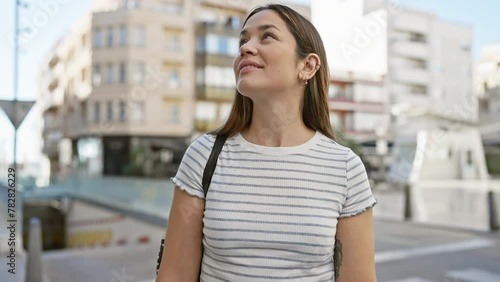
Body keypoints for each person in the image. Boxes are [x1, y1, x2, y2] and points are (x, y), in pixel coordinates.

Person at [157, 4, 377, 282]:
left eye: (267, 36)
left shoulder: (345, 168)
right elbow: (174, 275)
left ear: (307, 66)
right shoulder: (203, 156)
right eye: (243, 40)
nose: (246, 48)